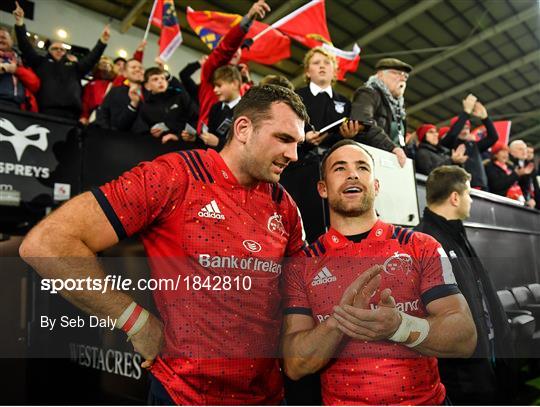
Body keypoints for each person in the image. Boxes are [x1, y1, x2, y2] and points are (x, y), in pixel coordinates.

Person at [19, 85, 309, 405]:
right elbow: (47, 243)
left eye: (298, 144)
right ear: (243, 128)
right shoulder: (175, 176)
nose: (293, 155)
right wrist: (134, 320)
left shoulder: (284, 205)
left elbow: (300, 292)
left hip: (267, 398)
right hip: (183, 395)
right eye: (284, 139)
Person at [281, 139, 477, 405]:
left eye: (362, 167)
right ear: (322, 189)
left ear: (375, 186)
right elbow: (294, 365)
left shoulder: (421, 245)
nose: (352, 173)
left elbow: (465, 337)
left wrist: (400, 326)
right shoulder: (302, 264)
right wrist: (340, 322)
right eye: (340, 168)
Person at [415, 165, 516, 405]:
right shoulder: (424, 242)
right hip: (462, 380)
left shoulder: (457, 235)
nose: (470, 200)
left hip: (484, 366)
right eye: (469, 194)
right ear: (454, 197)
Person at [13, 1, 108, 120]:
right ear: (48, 51)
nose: (59, 51)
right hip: (45, 112)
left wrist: (102, 43)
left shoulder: (74, 67)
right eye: (55, 48)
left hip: (72, 114)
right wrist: (20, 23)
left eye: (62, 49)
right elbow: (25, 46)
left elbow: (91, 59)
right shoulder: (40, 62)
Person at [197, 0, 269, 132]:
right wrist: (247, 20)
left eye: (239, 48)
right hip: (206, 138)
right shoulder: (210, 71)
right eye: (234, 48)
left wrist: (247, 82)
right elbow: (226, 49)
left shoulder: (244, 82)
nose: (235, 51)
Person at [350, 58, 413, 167]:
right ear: (380, 75)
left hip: (391, 162)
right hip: (371, 161)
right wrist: (392, 147)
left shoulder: (399, 109)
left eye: (405, 76)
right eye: (396, 73)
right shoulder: (368, 94)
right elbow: (363, 122)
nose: (402, 78)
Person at [295, 47, 358, 158]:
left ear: (335, 72)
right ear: (307, 72)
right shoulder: (295, 97)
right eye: (316, 62)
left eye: (327, 63)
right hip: (299, 161)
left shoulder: (346, 103)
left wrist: (349, 136)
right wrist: (303, 136)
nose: (322, 66)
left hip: (335, 160)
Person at [439, 94, 498, 190]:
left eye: (467, 128)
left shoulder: (473, 145)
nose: (465, 131)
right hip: (460, 188)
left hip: (481, 187)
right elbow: (453, 134)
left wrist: (485, 118)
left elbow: (493, 137)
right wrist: (466, 113)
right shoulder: (448, 143)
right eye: (461, 128)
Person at [132, 66, 198, 144]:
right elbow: (139, 129)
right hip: (157, 146)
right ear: (147, 86)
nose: (160, 81)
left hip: (184, 144)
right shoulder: (146, 106)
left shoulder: (180, 96)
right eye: (155, 79)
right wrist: (151, 132)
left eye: (163, 78)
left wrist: (178, 135)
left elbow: (195, 117)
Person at [94, 59, 144, 131]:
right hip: (119, 137)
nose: (138, 70)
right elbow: (107, 117)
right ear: (125, 73)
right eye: (133, 67)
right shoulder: (116, 92)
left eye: (141, 68)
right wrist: (133, 104)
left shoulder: (149, 92)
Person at [202, 65, 242, 150]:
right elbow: (209, 134)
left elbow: (241, 145)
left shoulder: (244, 111)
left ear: (234, 84)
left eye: (219, 85)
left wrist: (218, 142)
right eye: (214, 86)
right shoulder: (215, 107)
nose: (215, 90)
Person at [0, 27, 39, 111]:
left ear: (11, 41)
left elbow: (34, 84)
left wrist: (16, 70)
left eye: (4, 38)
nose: (1, 40)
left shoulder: (21, 60)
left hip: (18, 108)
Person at [79, 56, 117, 124]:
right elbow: (85, 102)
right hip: (93, 115)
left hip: (110, 117)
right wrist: (84, 116)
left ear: (112, 67)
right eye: (102, 63)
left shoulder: (116, 83)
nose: (105, 66)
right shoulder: (90, 84)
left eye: (108, 64)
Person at [508, 140, 536, 209]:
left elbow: (530, 186)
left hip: (525, 201)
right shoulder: (508, 164)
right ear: (512, 152)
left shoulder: (529, 165)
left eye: (525, 149)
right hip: (510, 201)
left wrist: (532, 198)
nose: (524, 152)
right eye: (520, 149)